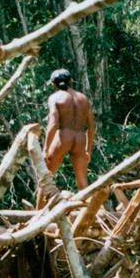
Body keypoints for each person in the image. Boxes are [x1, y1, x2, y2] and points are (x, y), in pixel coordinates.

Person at [42, 69, 95, 197]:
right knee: (83, 184)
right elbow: (91, 126)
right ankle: (90, 212)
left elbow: (53, 124)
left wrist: (46, 148)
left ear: (53, 84)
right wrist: (88, 149)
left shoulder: (55, 97)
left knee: (46, 180)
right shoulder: (83, 98)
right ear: (70, 81)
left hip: (63, 137)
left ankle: (37, 213)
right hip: (80, 138)